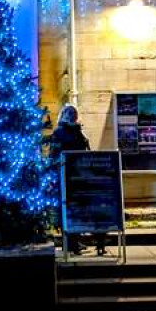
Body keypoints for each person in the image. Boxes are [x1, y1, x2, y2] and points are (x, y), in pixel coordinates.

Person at [49, 104, 104, 255]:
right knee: (76, 209)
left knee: (66, 209)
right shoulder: (77, 132)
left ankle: (71, 241)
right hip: (78, 177)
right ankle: (73, 241)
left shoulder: (59, 132)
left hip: (65, 177)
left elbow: (53, 156)